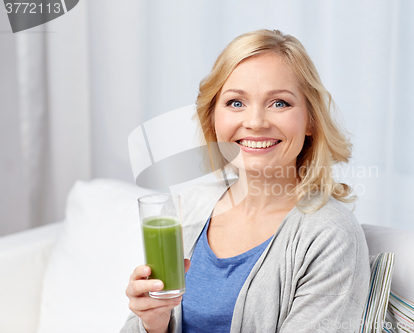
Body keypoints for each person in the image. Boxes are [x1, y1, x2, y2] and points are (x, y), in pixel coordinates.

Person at [121, 29, 370, 333]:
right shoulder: (191, 207)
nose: (255, 122)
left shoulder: (329, 235)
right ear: (213, 118)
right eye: (236, 103)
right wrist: (153, 324)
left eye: (279, 103)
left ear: (311, 120)